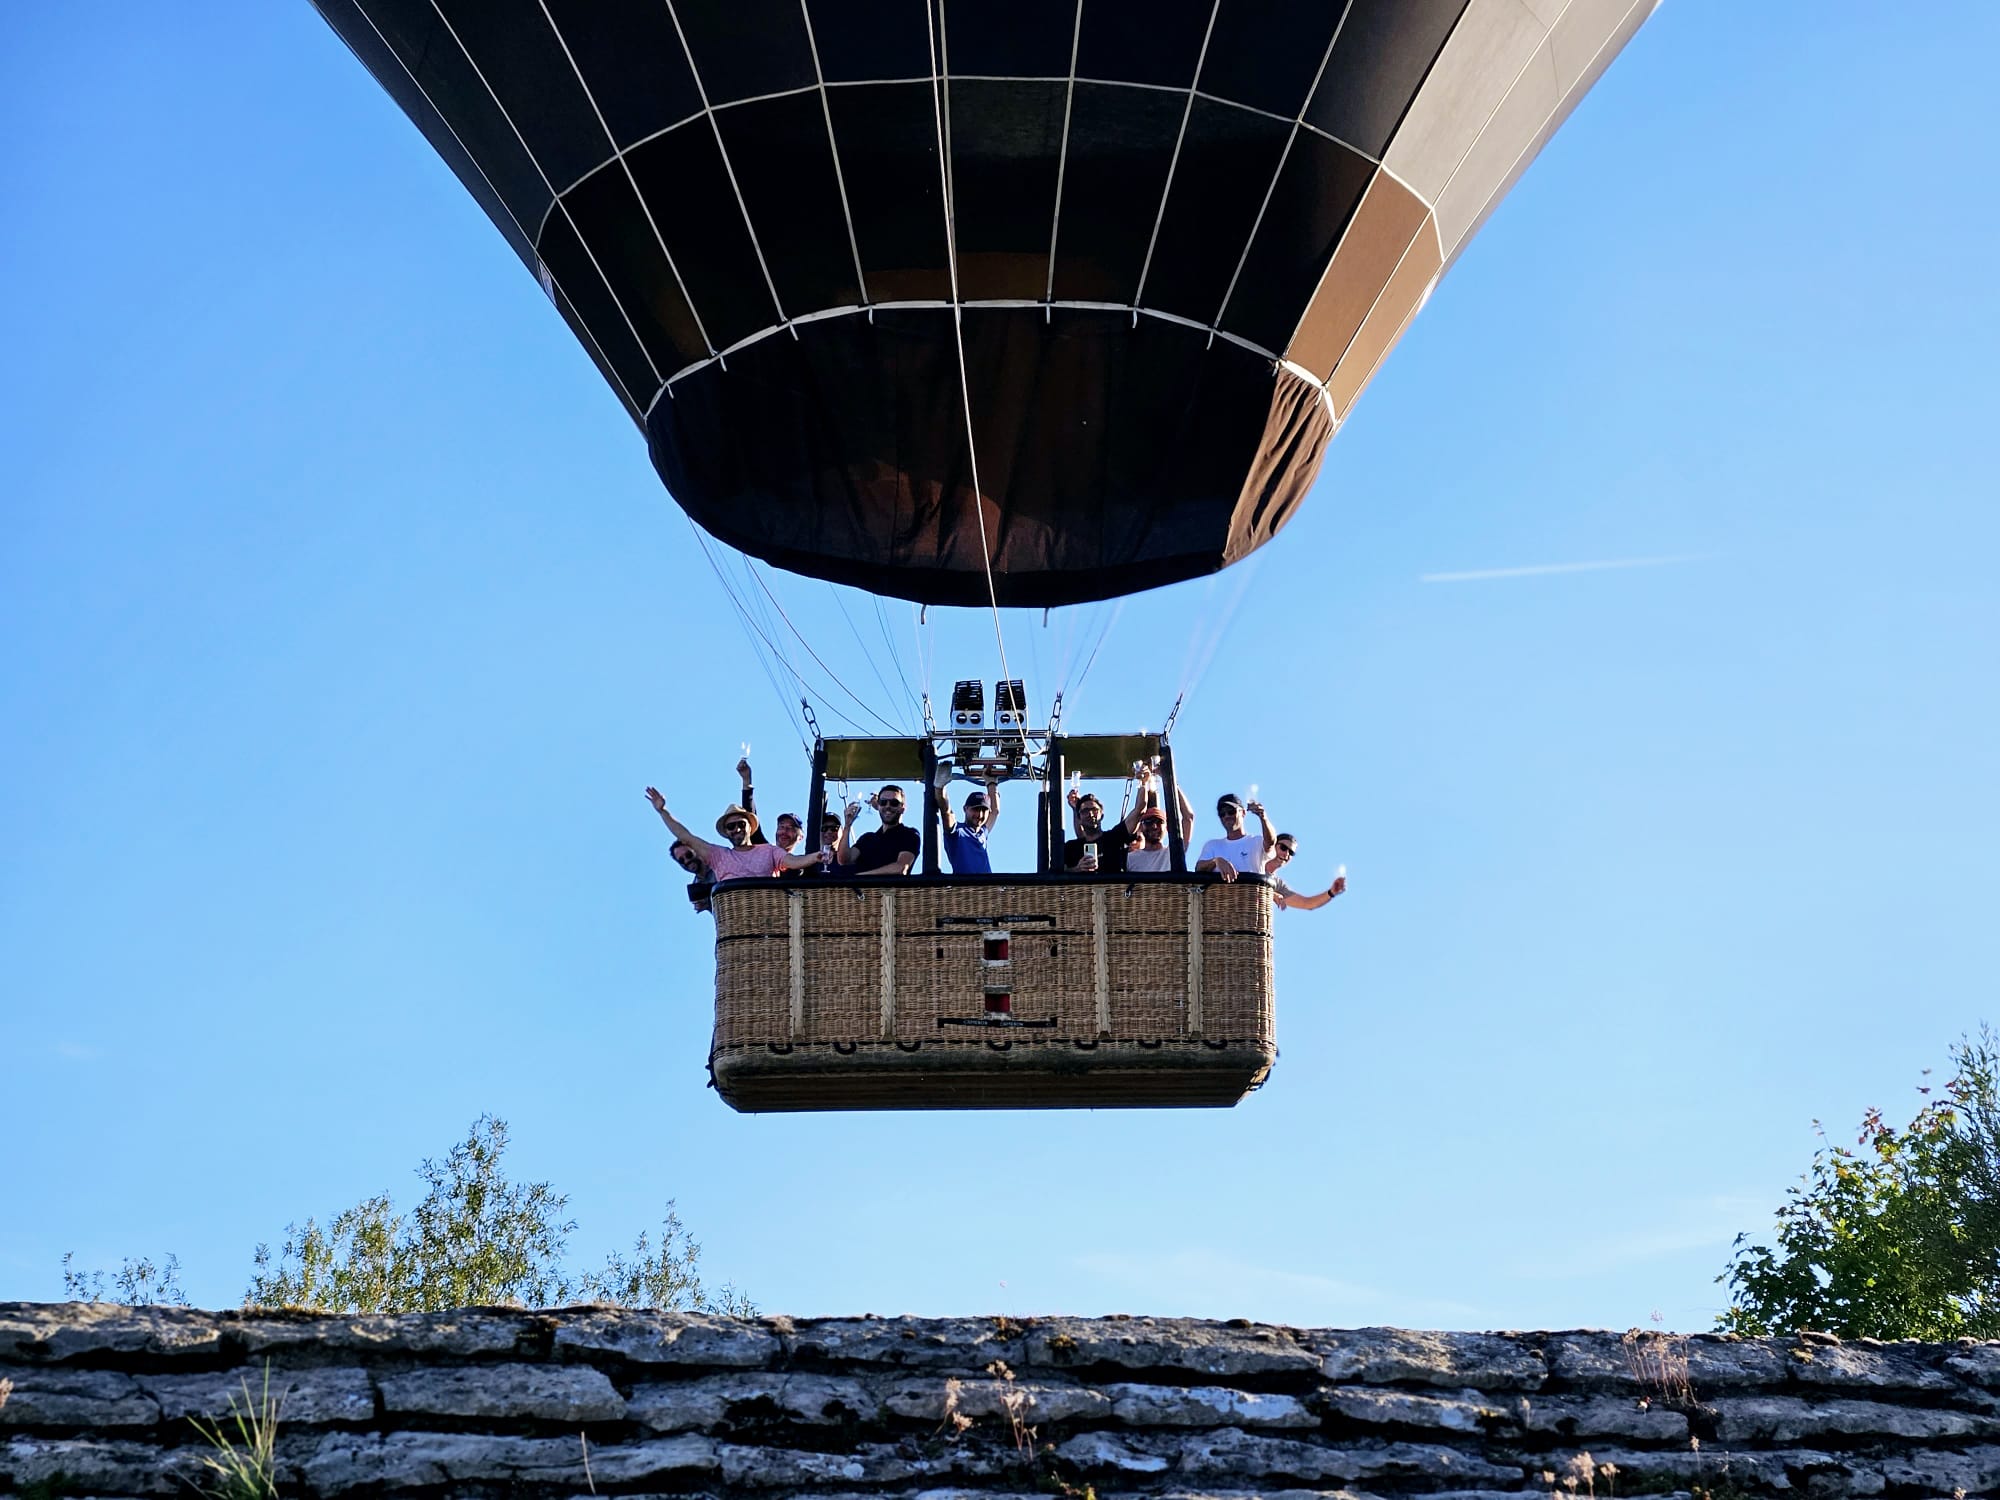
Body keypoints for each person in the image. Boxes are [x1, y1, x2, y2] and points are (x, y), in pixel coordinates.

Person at [645, 789, 824, 881]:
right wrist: (663, 811)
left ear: (749, 827)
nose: (736, 829)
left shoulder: (769, 851)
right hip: (737, 917)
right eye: (731, 826)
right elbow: (685, 836)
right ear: (726, 832)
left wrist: (816, 856)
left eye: (740, 824)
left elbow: (793, 862)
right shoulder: (718, 855)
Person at [840, 784, 920, 876]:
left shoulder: (909, 835)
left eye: (894, 803)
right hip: (861, 889)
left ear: (902, 808)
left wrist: (860, 877)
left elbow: (900, 868)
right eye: (883, 802)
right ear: (878, 806)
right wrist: (847, 825)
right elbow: (844, 860)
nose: (888, 806)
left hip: (891, 889)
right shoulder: (867, 838)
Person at [935, 762, 999, 874]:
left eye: (984, 811)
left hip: (986, 887)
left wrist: (991, 782)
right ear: (965, 809)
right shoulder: (957, 831)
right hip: (965, 887)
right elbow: (946, 812)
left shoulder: (983, 832)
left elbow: (995, 811)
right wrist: (940, 788)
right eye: (975, 809)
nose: (980, 815)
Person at [1125, 770, 1195, 873]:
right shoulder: (1130, 859)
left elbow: (1188, 817)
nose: (1154, 826)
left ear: (1166, 827)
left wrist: (1170, 780)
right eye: (1148, 822)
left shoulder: (1172, 853)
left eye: (1159, 822)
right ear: (1141, 827)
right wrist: (1143, 783)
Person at [1196, 793, 1276, 882]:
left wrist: (1263, 818)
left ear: (1243, 813)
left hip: (1250, 894)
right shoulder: (1212, 845)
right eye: (1222, 813)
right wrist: (1216, 861)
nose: (1226, 816)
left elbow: (1271, 842)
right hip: (1222, 895)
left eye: (1231, 811)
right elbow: (1199, 868)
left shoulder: (1256, 842)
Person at [1062, 789, 1140, 874]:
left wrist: (1143, 783)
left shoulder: (1114, 838)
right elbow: (1057, 872)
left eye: (1094, 810)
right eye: (1085, 811)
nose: (1090, 814)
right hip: (1081, 887)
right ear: (1079, 818)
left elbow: (1139, 810)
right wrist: (1077, 869)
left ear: (1102, 815)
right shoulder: (1071, 847)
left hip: (1113, 887)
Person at [1265, 833, 1348, 910]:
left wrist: (1331, 892)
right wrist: (1271, 894)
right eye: (1283, 848)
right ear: (1273, 846)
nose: (1286, 854)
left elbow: (1307, 903)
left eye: (1291, 852)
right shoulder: (1255, 863)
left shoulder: (1277, 884)